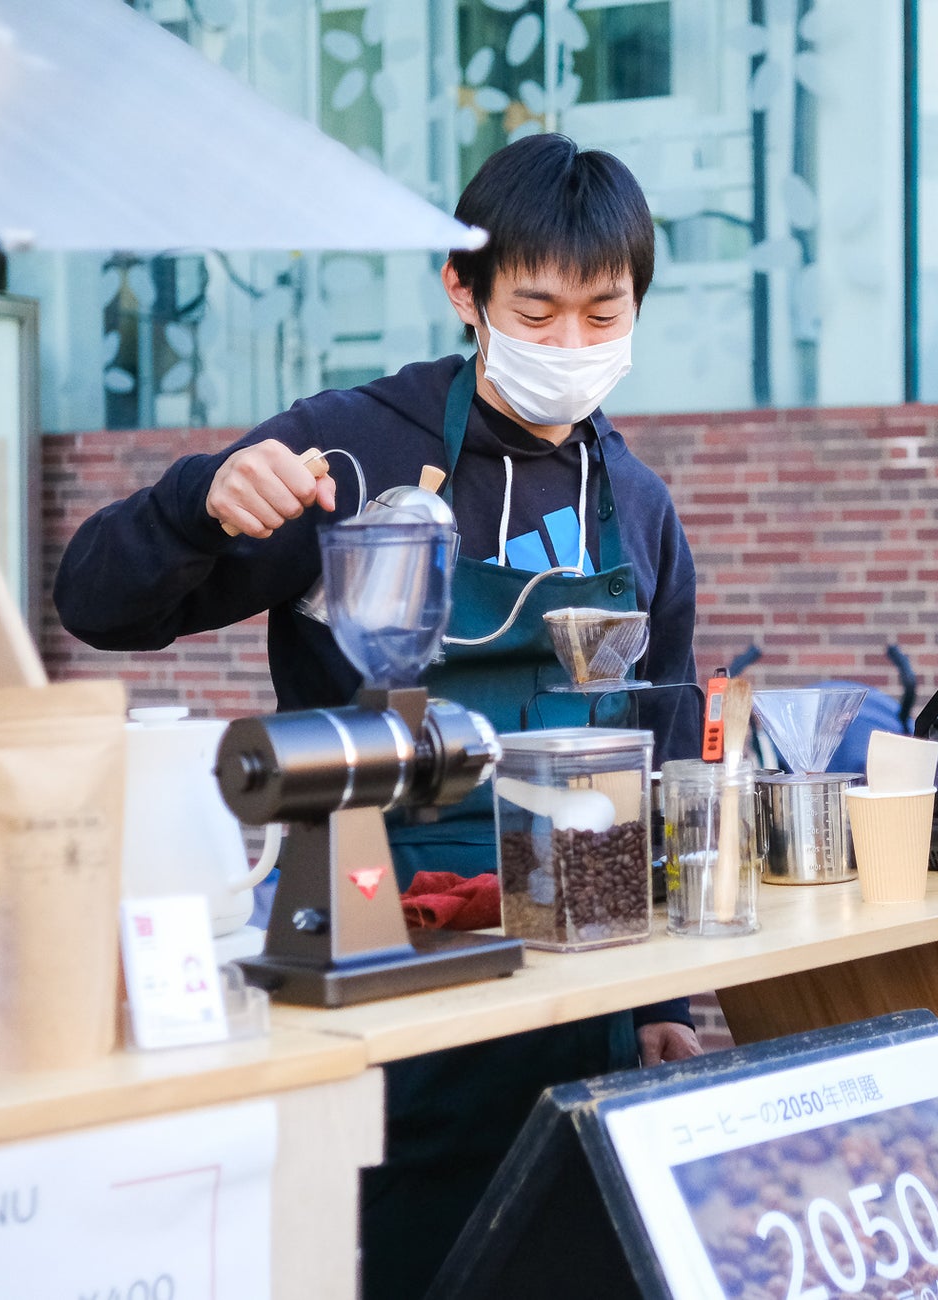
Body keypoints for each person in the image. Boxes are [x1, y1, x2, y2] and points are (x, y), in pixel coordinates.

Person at [55, 134, 703, 1296]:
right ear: (464, 289)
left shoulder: (639, 507)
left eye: (602, 318)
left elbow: (662, 743)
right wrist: (200, 500)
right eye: (537, 310)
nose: (568, 347)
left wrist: (655, 1000)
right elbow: (96, 602)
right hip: (380, 963)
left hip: (578, 981)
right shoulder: (350, 449)